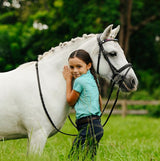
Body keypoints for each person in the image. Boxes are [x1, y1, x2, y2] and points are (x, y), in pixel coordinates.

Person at [63, 49, 104, 160]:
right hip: (96, 125)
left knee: (73, 157)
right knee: (89, 157)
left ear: (88, 65)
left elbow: (70, 101)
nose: (75, 70)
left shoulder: (79, 81)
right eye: (71, 67)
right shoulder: (93, 79)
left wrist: (68, 80)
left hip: (88, 125)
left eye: (79, 66)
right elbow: (99, 102)